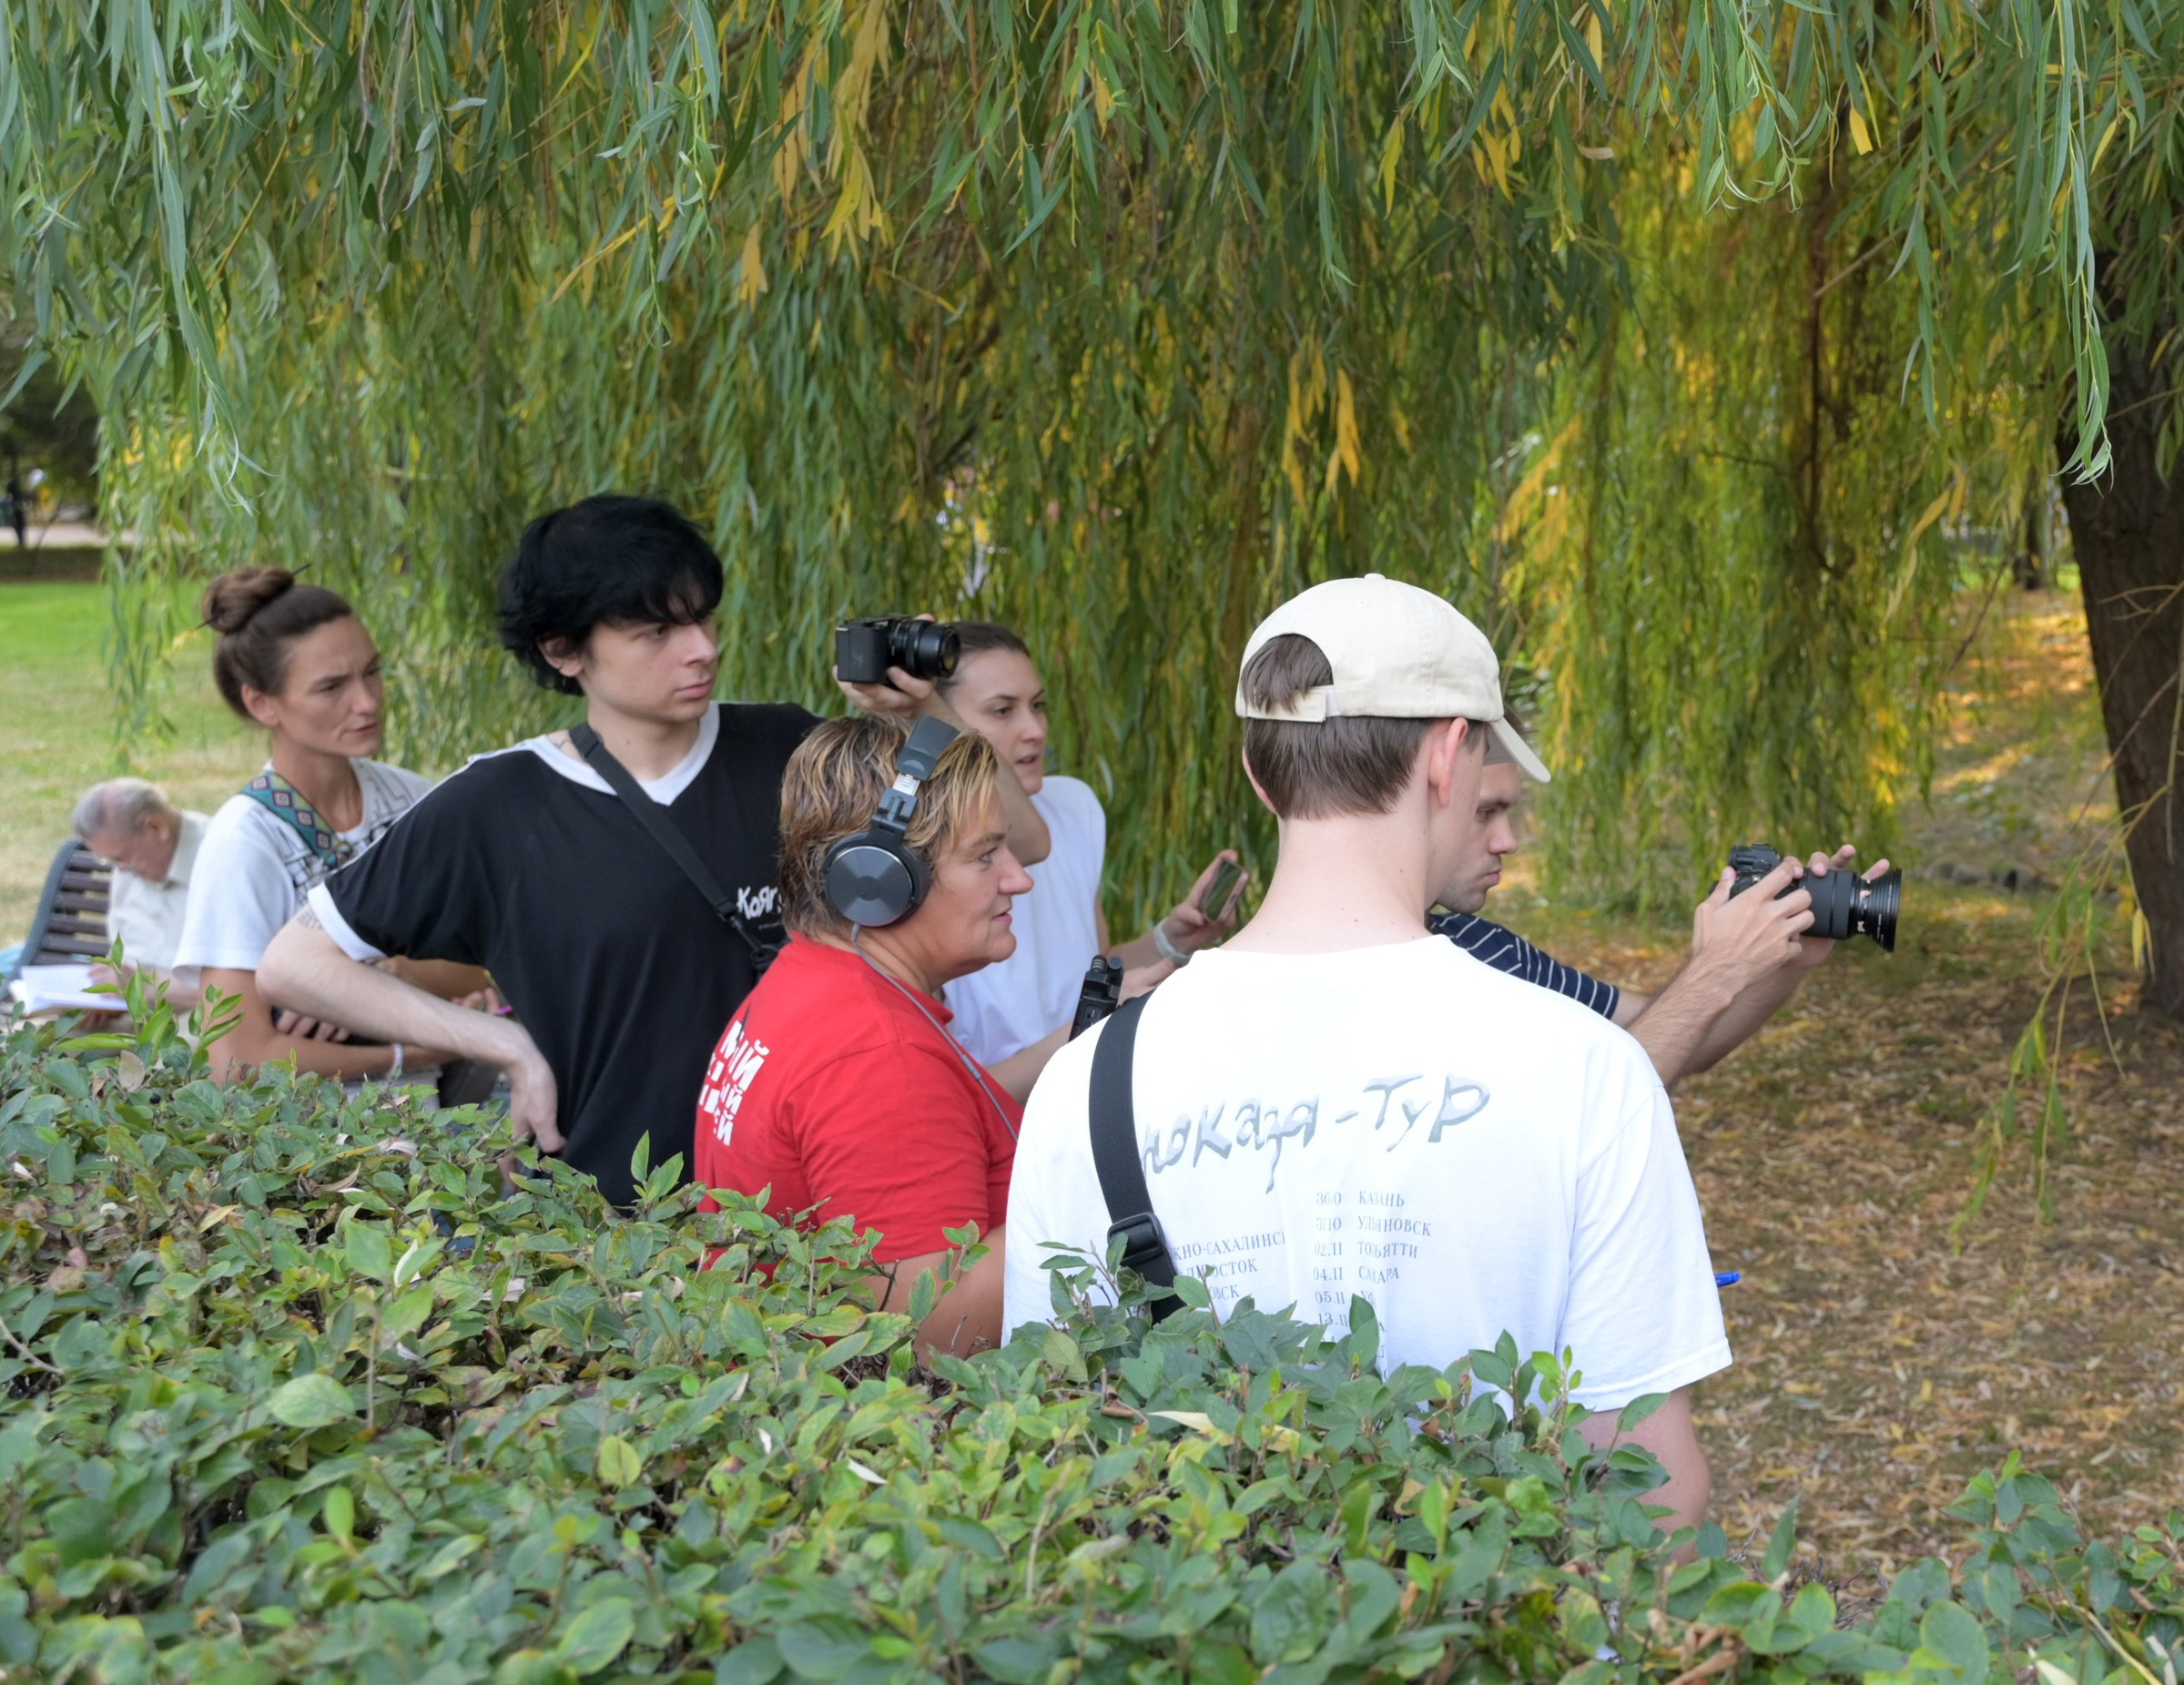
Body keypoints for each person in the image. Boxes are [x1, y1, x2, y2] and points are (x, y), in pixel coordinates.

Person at [1003, 574, 1730, 1535]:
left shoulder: (1087, 1079)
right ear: (1449, 754)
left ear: (1260, 772)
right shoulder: (1586, 1068)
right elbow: (1653, 1490)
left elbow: (1048, 1441)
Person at [258, 494, 1050, 1209]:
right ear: (563, 650)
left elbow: (1023, 841)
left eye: (704, 619)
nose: (701, 649)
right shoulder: (498, 805)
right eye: (658, 632)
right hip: (615, 1232)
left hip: (803, 1219)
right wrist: (505, 1044)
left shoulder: (788, 749)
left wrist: (929, 713)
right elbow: (295, 964)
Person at [696, 715, 1029, 1356]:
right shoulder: (876, 1055)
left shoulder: (810, 978)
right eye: (985, 855)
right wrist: (1097, 1193)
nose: (1019, 878)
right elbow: (932, 1331)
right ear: (878, 879)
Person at [1427, 721, 1890, 1086]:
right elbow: (1596, 1116)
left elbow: (1681, 1040)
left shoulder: (1494, 951)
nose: (1508, 842)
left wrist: (1789, 951)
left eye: (1507, 813)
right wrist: (1712, 970)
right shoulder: (1408, 992)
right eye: (1484, 812)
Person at [174, 567, 476, 1082]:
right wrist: (405, 1055)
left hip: (442, 1119)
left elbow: (482, 969)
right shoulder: (245, 843)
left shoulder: (414, 799)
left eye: (372, 672)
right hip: (316, 1132)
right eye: (332, 687)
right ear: (261, 703)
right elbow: (235, 1061)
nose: (368, 701)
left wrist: (374, 978)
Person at [934, 621, 1244, 1094]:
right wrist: (1090, 1029)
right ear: (935, 720)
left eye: (1038, 706)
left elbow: (1093, 966)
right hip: (1002, 1126)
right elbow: (952, 1097)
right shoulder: (923, 849)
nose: (1035, 730)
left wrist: (1171, 940)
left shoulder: (1073, 807)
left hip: (1086, 1104)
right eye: (1003, 711)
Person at [69, 777, 208, 1007]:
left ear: (155, 827)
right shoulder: (129, 868)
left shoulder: (222, 856)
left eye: (122, 858)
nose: (122, 870)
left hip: (201, 1016)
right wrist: (109, 991)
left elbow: (236, 990)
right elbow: (123, 957)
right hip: (134, 1009)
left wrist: (141, 986)